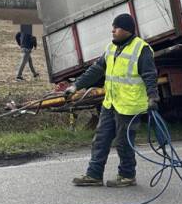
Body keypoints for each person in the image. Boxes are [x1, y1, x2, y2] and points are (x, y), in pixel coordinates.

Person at [65, 13, 158, 187]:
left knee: (124, 142)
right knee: (101, 138)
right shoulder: (111, 48)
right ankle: (94, 175)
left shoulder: (141, 49)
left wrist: (153, 97)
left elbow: (149, 75)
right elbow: (96, 70)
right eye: (113, 27)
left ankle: (127, 176)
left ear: (127, 30)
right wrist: (75, 86)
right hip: (111, 102)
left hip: (129, 106)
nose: (112, 30)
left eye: (117, 27)